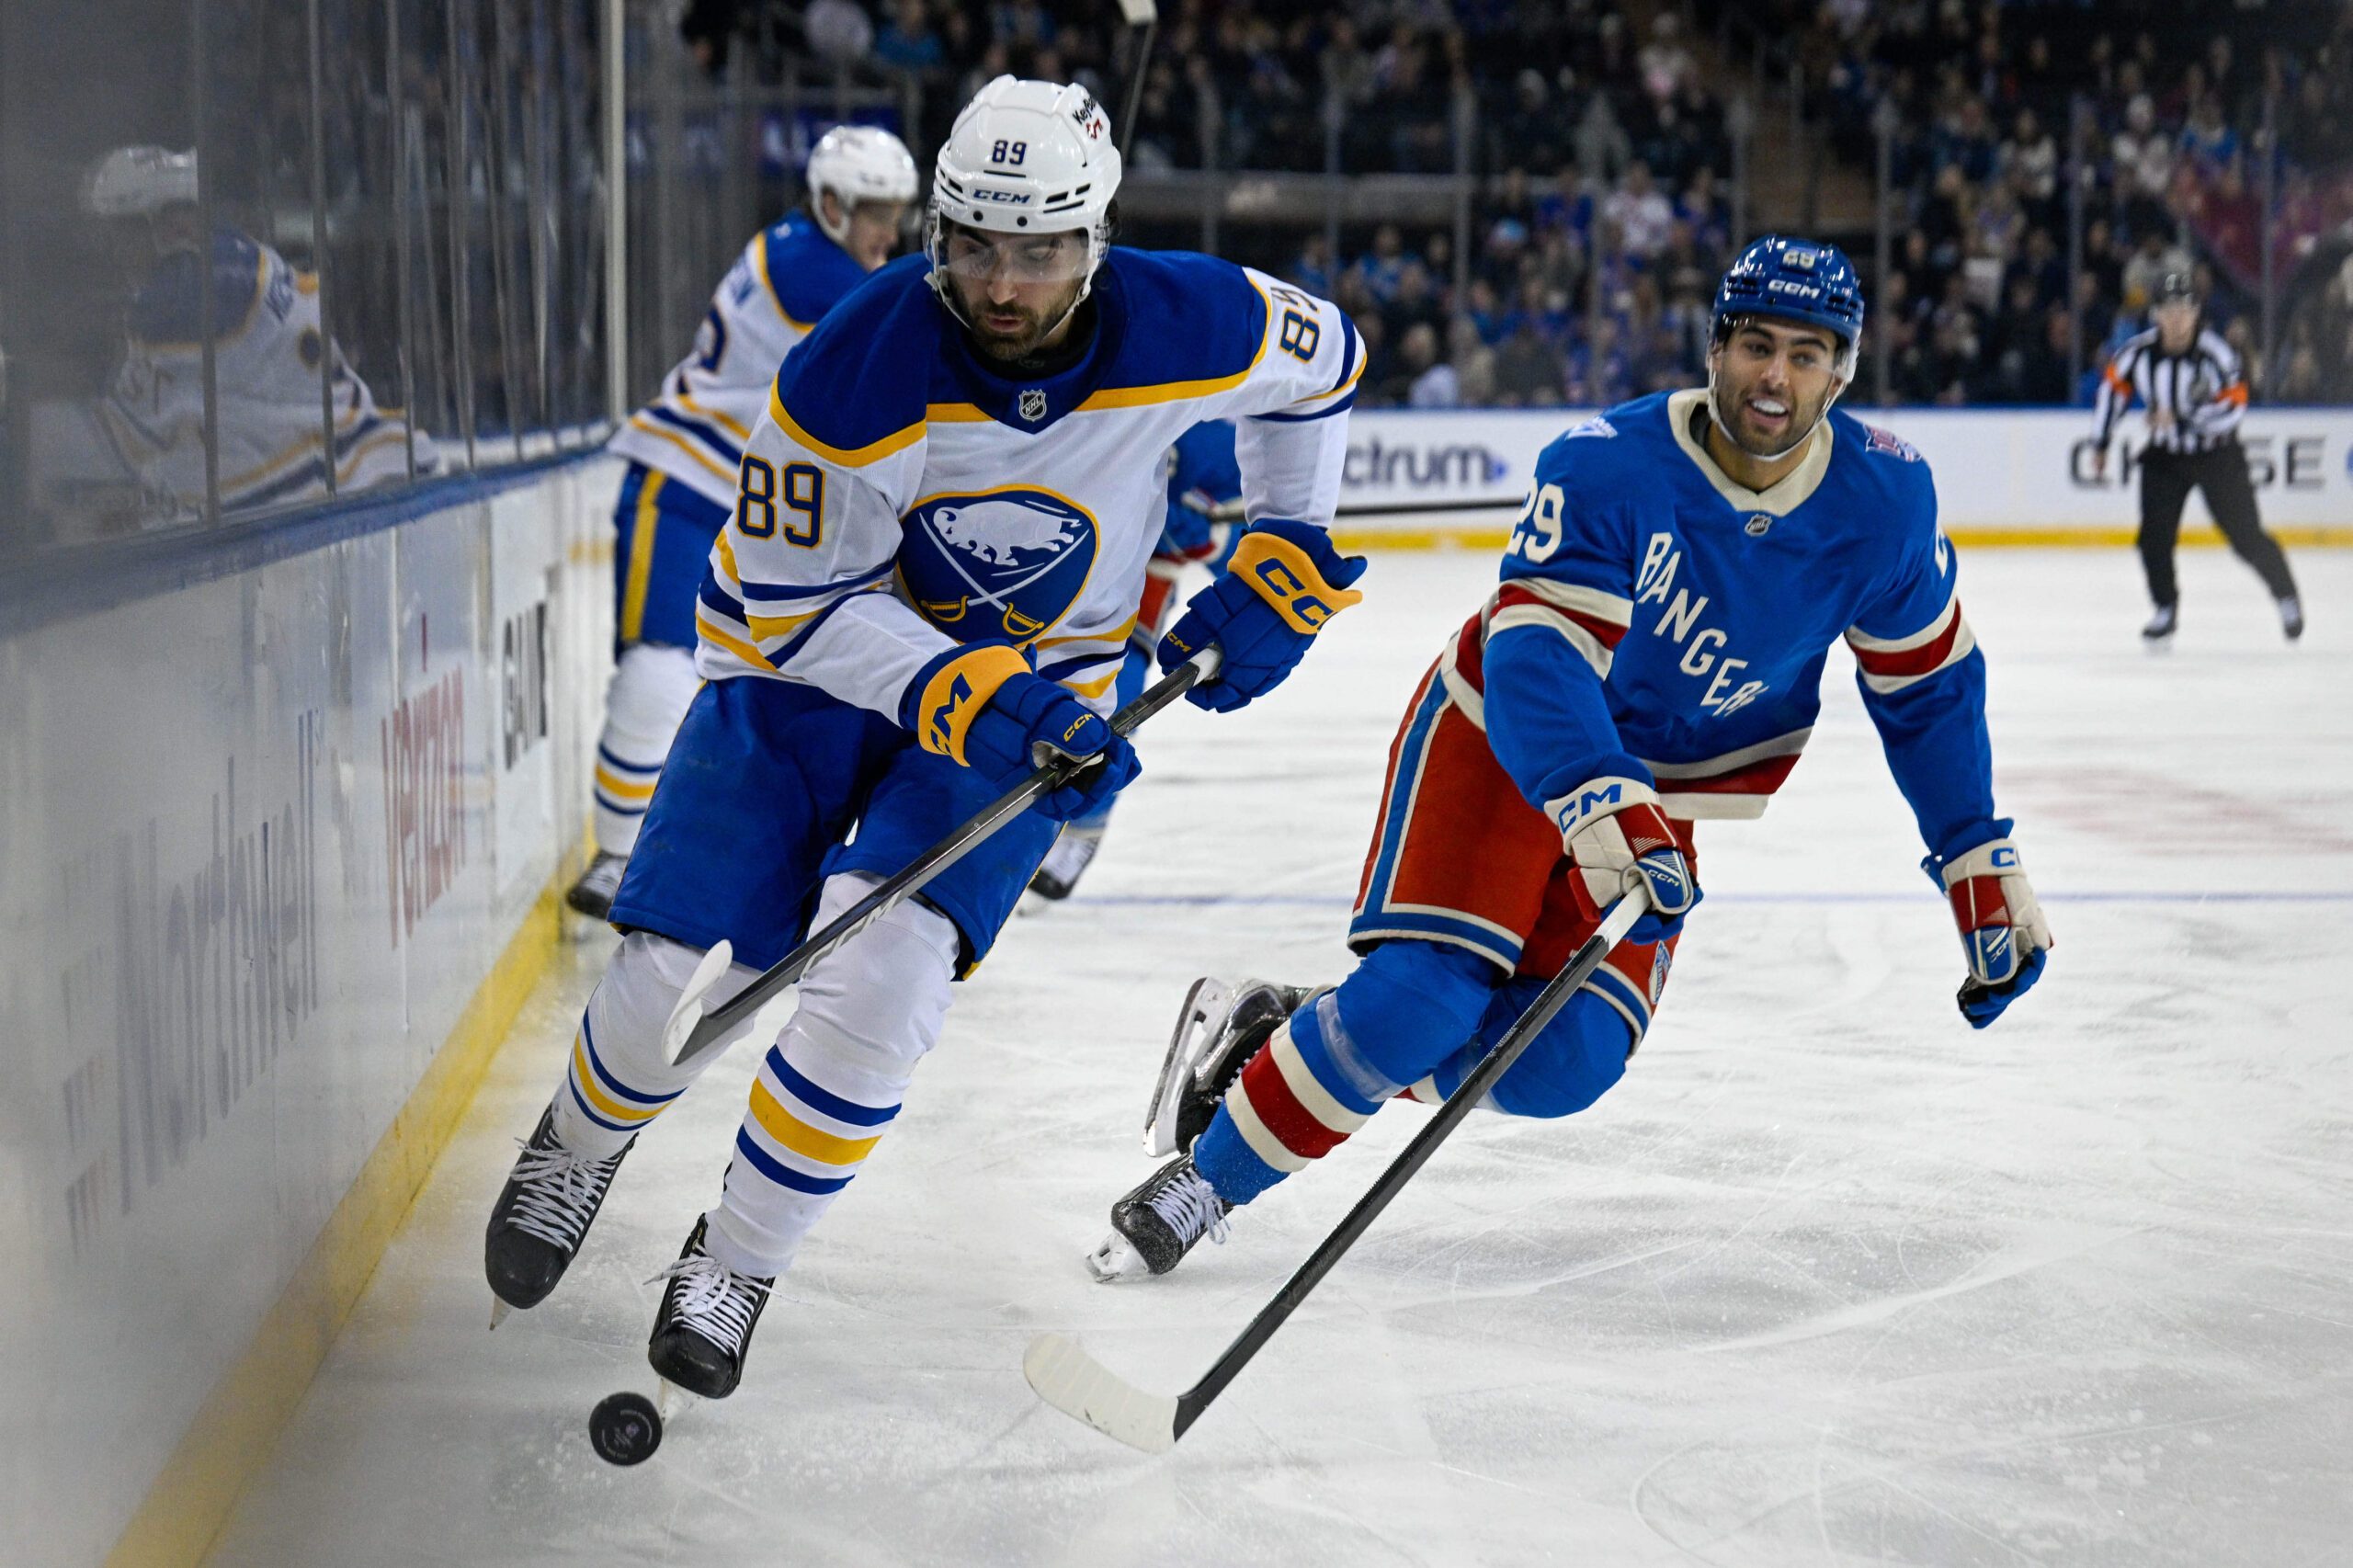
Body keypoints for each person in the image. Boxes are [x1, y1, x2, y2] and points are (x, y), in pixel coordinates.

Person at [483, 76, 1369, 1402]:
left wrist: (1285, 539)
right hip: (812, 668)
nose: (1005, 285)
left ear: (1097, 235)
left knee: (888, 983)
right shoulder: (854, 365)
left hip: (1033, 693)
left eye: (1042, 250)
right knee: (666, 965)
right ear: (938, 229)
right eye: (975, 246)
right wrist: (976, 691)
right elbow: (795, 609)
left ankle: (738, 1253)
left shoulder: (1196, 315)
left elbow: (1330, 364)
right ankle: (580, 1137)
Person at [1087, 236, 2055, 1281]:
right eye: (1757, 345)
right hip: (1506, 737)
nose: (1776, 377)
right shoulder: (1606, 463)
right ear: (1716, 345)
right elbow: (1537, 654)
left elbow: (1927, 688)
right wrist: (1594, 798)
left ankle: (1281, 1038)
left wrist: (1973, 852)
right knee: (1425, 997)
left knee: (1566, 1061)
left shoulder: (1885, 502)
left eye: (1807, 354)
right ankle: (1206, 1179)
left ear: (1844, 368)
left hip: (1661, 788)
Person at [569, 126, 919, 918]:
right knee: (660, 661)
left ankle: (660, 848)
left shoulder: (813, 252)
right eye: (874, 210)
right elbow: (913, 327)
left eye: (895, 211)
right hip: (689, 478)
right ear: (830, 204)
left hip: (757, 504)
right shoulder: (811, 268)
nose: (886, 228)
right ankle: (616, 854)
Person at [1028, 416, 1242, 902]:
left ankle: (1084, 831)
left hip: (1137, 587)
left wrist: (1202, 531)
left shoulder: (1215, 435)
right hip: (1057, 563)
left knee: (1112, 702)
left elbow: (1239, 542)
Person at [2089, 271, 2301, 642]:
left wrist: (2183, 419)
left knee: (2246, 536)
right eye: (2168, 310)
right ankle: (2165, 606)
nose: (2176, 318)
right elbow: (2113, 392)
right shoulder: (2137, 354)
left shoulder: (2215, 353)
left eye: (2184, 309)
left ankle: (2286, 595)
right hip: (2167, 457)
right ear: (2155, 314)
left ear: (2195, 313)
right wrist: (2101, 442)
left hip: (2218, 456)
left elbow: (2235, 408)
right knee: (2154, 538)